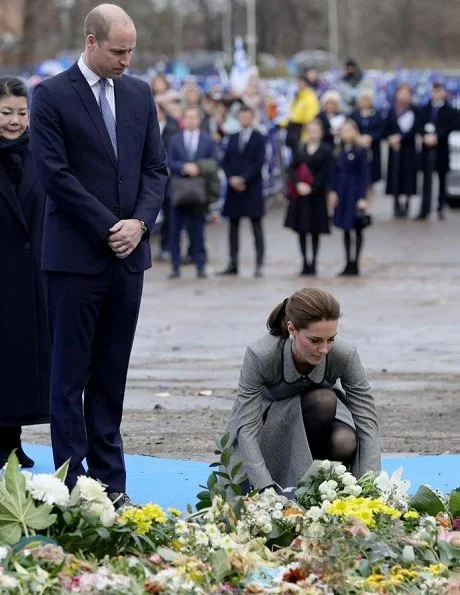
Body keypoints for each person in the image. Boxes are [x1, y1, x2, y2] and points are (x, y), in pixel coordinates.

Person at [30, 4, 168, 506]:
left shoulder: (138, 93)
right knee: (69, 377)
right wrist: (109, 226)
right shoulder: (49, 96)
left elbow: (156, 168)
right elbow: (54, 175)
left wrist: (140, 224)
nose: (127, 60)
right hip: (74, 259)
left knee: (111, 376)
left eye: (131, 50)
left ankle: (113, 485)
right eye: (118, 51)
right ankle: (73, 484)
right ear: (91, 42)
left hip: (129, 259)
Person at [226, 287, 381, 494]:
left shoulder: (345, 353)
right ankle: (291, 485)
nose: (324, 349)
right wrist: (264, 486)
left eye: (331, 338)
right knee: (322, 400)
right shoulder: (260, 354)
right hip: (271, 431)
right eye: (315, 340)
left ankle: (326, 488)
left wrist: (369, 484)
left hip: (319, 424)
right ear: (292, 329)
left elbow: (366, 418)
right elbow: (246, 427)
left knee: (344, 439)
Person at [0, 76, 50, 469]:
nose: (14, 121)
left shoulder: (41, 152)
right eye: (5, 113)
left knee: (22, 362)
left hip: (32, 273)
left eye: (20, 113)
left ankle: (13, 441)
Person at [218, 105, 266, 278]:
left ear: (252, 117)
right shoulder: (233, 137)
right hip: (234, 188)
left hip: (251, 187)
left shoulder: (259, 137)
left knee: (256, 226)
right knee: (233, 226)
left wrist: (244, 178)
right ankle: (233, 263)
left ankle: (259, 263)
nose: (244, 119)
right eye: (242, 116)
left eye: (247, 116)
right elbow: (225, 160)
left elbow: (259, 162)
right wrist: (232, 178)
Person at [168, 106, 215, 279]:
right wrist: (183, 167)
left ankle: (200, 265)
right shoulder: (175, 139)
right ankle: (175, 266)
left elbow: (213, 162)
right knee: (175, 231)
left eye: (194, 117)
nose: (191, 120)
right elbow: (168, 160)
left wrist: (198, 167)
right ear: (183, 119)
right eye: (188, 117)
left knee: (198, 230)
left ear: (199, 119)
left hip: (198, 191)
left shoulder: (207, 140)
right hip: (178, 190)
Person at [285, 118, 333, 276]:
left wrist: (312, 187)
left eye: (316, 131)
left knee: (315, 230)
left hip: (316, 196)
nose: (313, 134)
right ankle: (304, 261)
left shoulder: (326, 150)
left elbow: (326, 173)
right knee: (302, 230)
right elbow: (292, 169)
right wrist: (299, 184)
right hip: (300, 196)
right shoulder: (301, 148)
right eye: (310, 131)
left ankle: (314, 262)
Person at [330, 119, 369, 276]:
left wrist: (362, 197)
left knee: (357, 227)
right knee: (345, 228)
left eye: (349, 130)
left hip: (355, 191)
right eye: (343, 131)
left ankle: (356, 262)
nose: (346, 134)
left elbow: (365, 174)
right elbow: (334, 172)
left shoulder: (361, 150)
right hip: (342, 191)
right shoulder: (338, 150)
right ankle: (347, 261)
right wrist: (333, 191)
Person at [417, 82, 457, 220]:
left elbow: (452, 125)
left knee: (442, 179)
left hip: (441, 148)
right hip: (427, 148)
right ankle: (424, 208)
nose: (436, 94)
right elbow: (419, 124)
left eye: (438, 91)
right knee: (426, 180)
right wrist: (425, 136)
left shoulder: (450, 110)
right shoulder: (425, 109)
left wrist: (437, 136)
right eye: (434, 91)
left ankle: (441, 207)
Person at [384, 83, 419, 218]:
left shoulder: (415, 110)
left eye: (406, 93)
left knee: (409, 176)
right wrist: (390, 139)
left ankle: (408, 204)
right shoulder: (391, 111)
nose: (403, 96)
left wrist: (402, 137)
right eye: (401, 92)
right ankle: (396, 203)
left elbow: (417, 128)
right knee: (395, 176)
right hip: (395, 149)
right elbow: (385, 128)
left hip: (409, 148)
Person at [154, 102, 180, 262]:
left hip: (169, 178)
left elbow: (172, 149)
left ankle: (168, 246)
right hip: (152, 176)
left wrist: (168, 166)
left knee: (170, 214)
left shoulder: (172, 128)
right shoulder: (145, 123)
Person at [350, 88, 385, 193]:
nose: (364, 102)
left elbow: (381, 129)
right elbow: (350, 127)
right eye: (362, 100)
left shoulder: (377, 114)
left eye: (367, 100)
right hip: (357, 147)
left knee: (371, 172)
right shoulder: (354, 114)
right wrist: (358, 138)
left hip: (372, 147)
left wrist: (371, 137)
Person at [283, 75, 320, 152]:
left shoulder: (310, 98)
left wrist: (305, 138)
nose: (299, 85)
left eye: (301, 82)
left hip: (300, 131)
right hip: (292, 130)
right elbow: (291, 115)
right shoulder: (297, 97)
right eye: (298, 82)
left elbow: (310, 120)